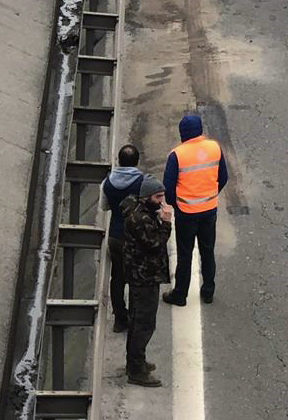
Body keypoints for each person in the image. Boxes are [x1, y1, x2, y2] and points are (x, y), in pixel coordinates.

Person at [162, 111, 228, 306]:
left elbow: (169, 188)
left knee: (185, 254)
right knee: (208, 251)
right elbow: (223, 178)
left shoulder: (177, 155)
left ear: (183, 133)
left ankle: (180, 295)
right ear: (200, 130)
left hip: (186, 213)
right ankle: (208, 291)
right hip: (209, 210)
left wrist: (177, 204)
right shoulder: (214, 148)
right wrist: (210, 195)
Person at [119, 175, 172, 387]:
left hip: (138, 275)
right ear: (146, 197)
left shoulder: (138, 211)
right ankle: (136, 371)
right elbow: (155, 243)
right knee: (144, 324)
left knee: (137, 322)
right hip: (144, 277)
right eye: (158, 197)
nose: (162, 201)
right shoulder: (141, 219)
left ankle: (134, 362)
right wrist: (166, 223)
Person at [102, 144, 144, 333]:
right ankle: (135, 318)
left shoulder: (108, 182)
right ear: (137, 162)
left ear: (119, 161)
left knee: (117, 278)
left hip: (115, 236)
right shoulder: (143, 182)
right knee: (136, 278)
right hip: (135, 238)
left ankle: (120, 319)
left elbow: (104, 207)